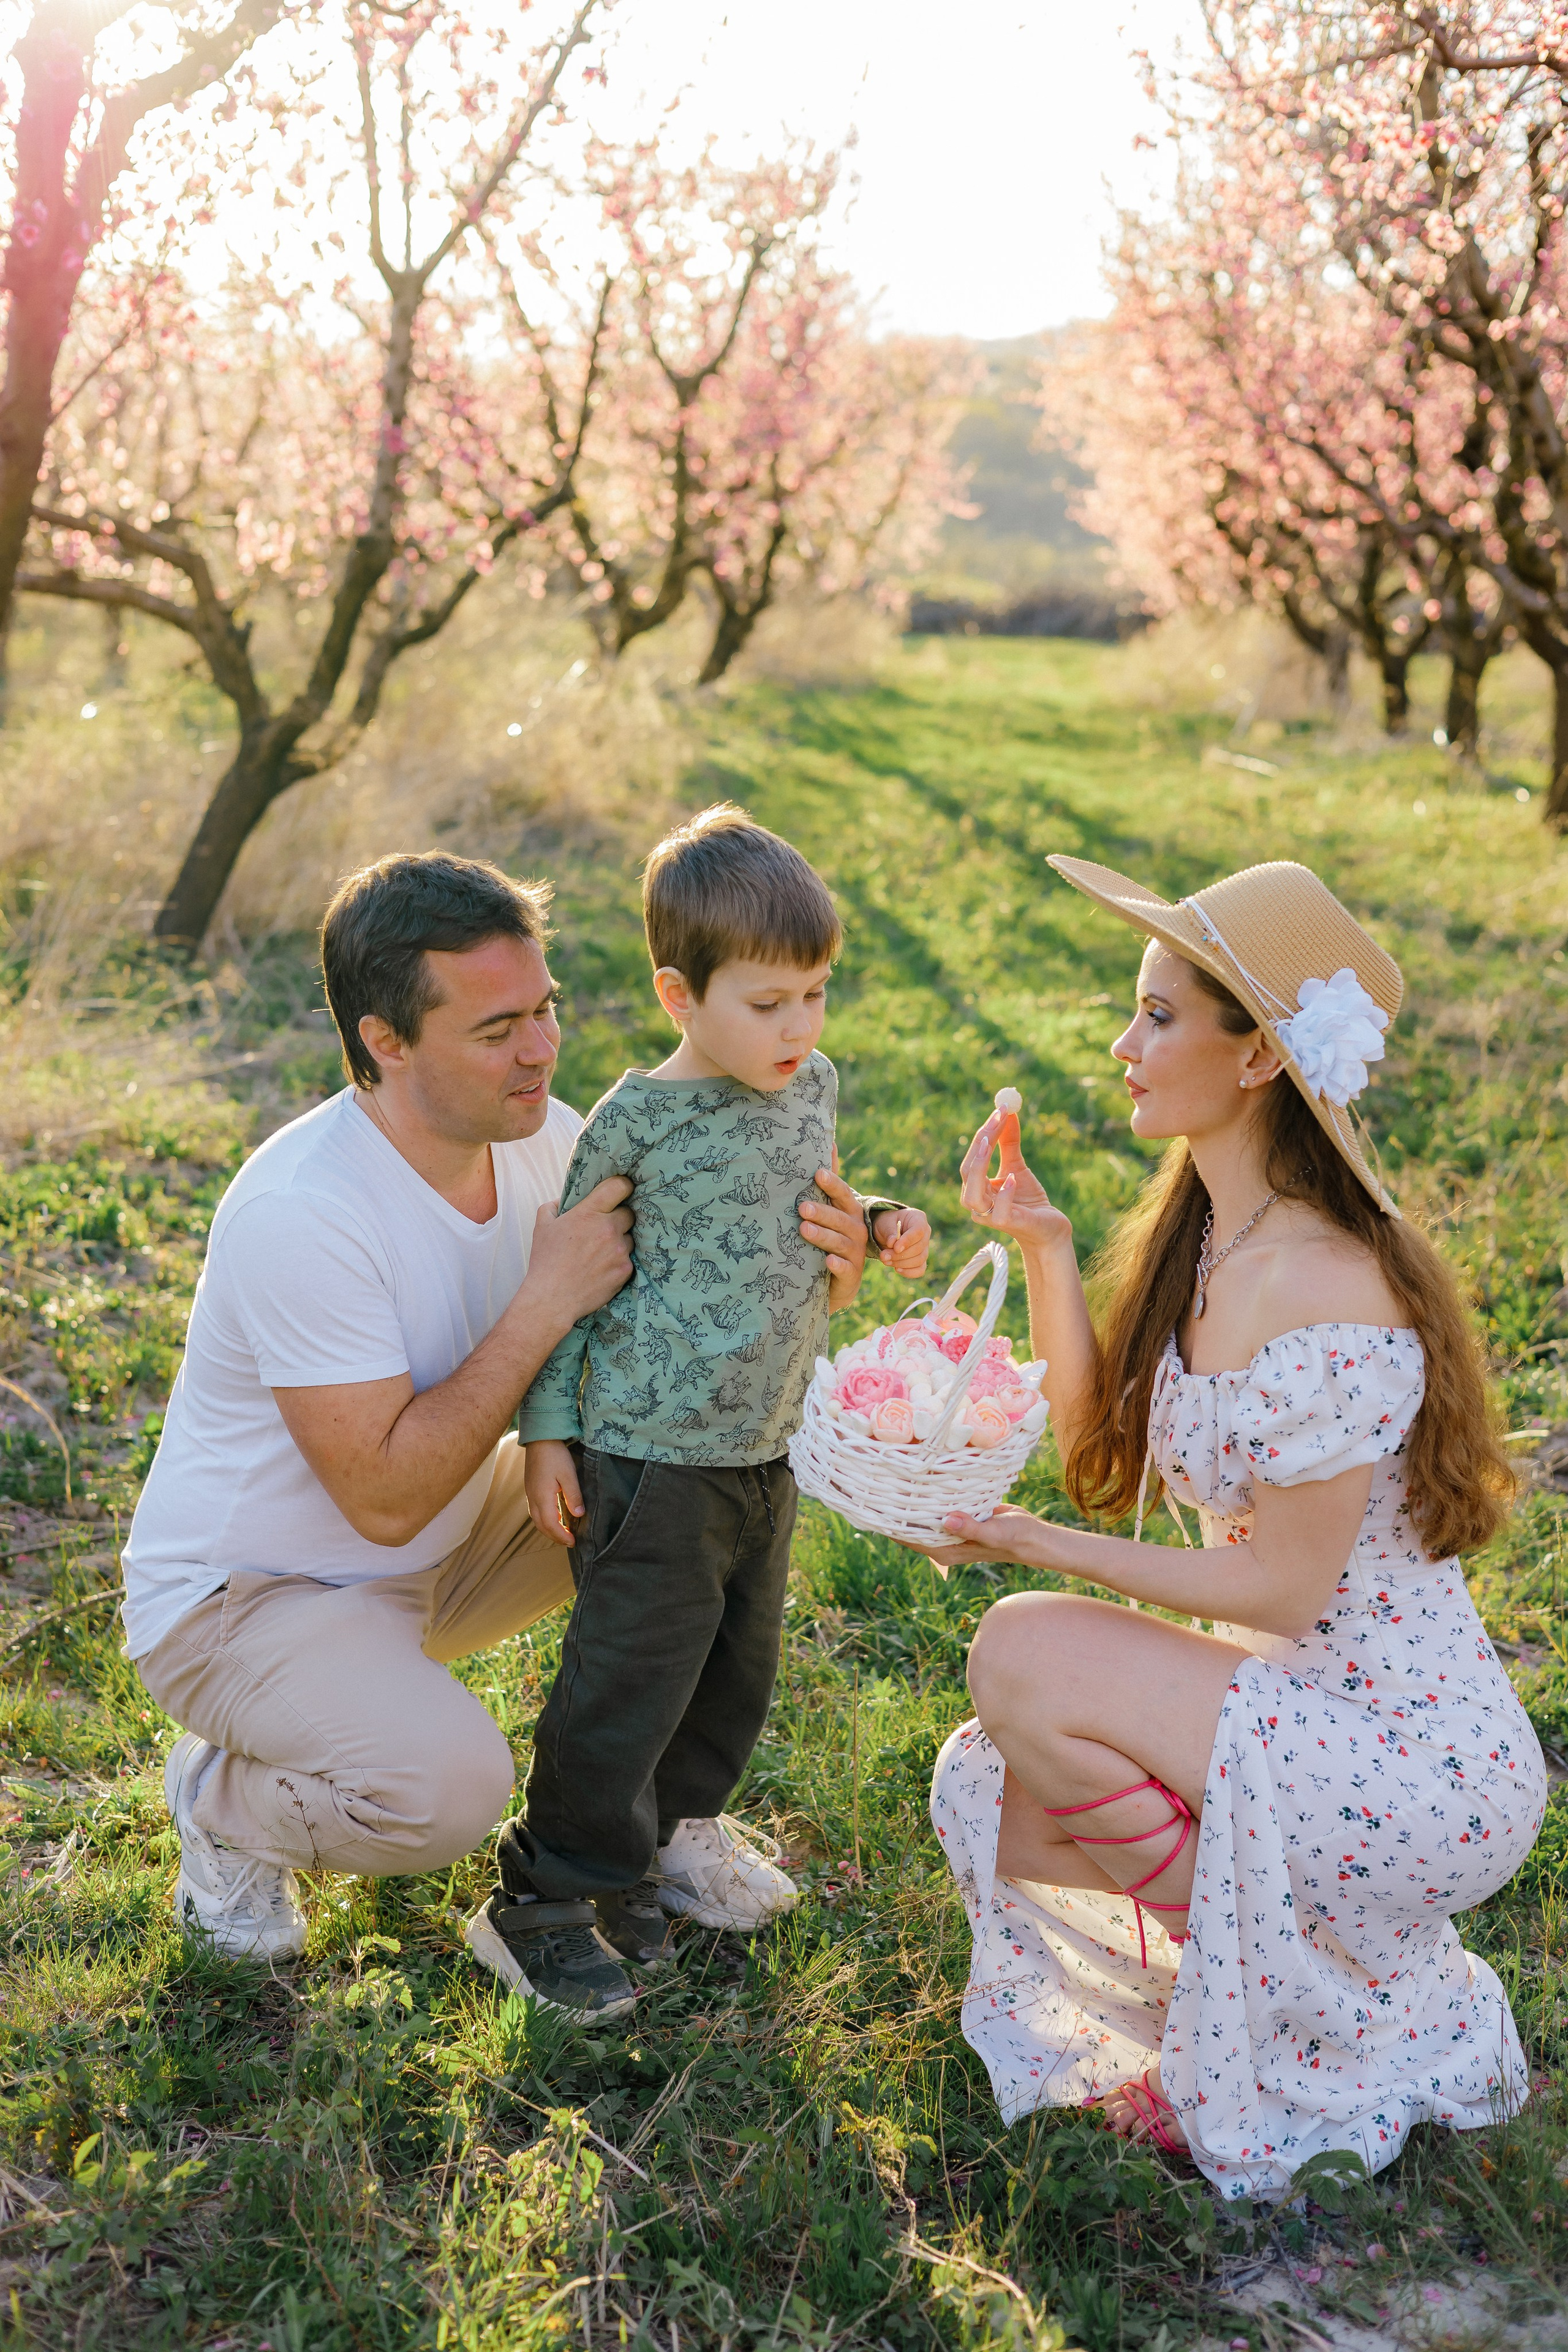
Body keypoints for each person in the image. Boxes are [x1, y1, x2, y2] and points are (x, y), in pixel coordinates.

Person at [924, 853, 1546, 2204]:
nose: (1121, 1044)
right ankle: (1268, 2001)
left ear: (1256, 1052)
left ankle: (1282, 2016)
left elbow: (1271, 1588)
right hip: (1299, 1707)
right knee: (999, 1770)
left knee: (1025, 1652)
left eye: (1157, 1016)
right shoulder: (1209, 1234)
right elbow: (1103, 1456)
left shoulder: (1324, 1280)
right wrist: (1039, 1246)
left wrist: (1038, 1552)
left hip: (1411, 1760)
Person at [465, 804, 932, 2018]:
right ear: (681, 997)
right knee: (626, 1679)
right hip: (646, 1453)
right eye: (766, 1003)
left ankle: (653, 1855)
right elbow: (566, 1282)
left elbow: (810, 1207)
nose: (797, 1028)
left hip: (760, 1442)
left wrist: (876, 1226)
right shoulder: (638, 1122)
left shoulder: (808, 1085)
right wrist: (549, 1434)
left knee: (729, 1675)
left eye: (815, 995)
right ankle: (542, 1894)